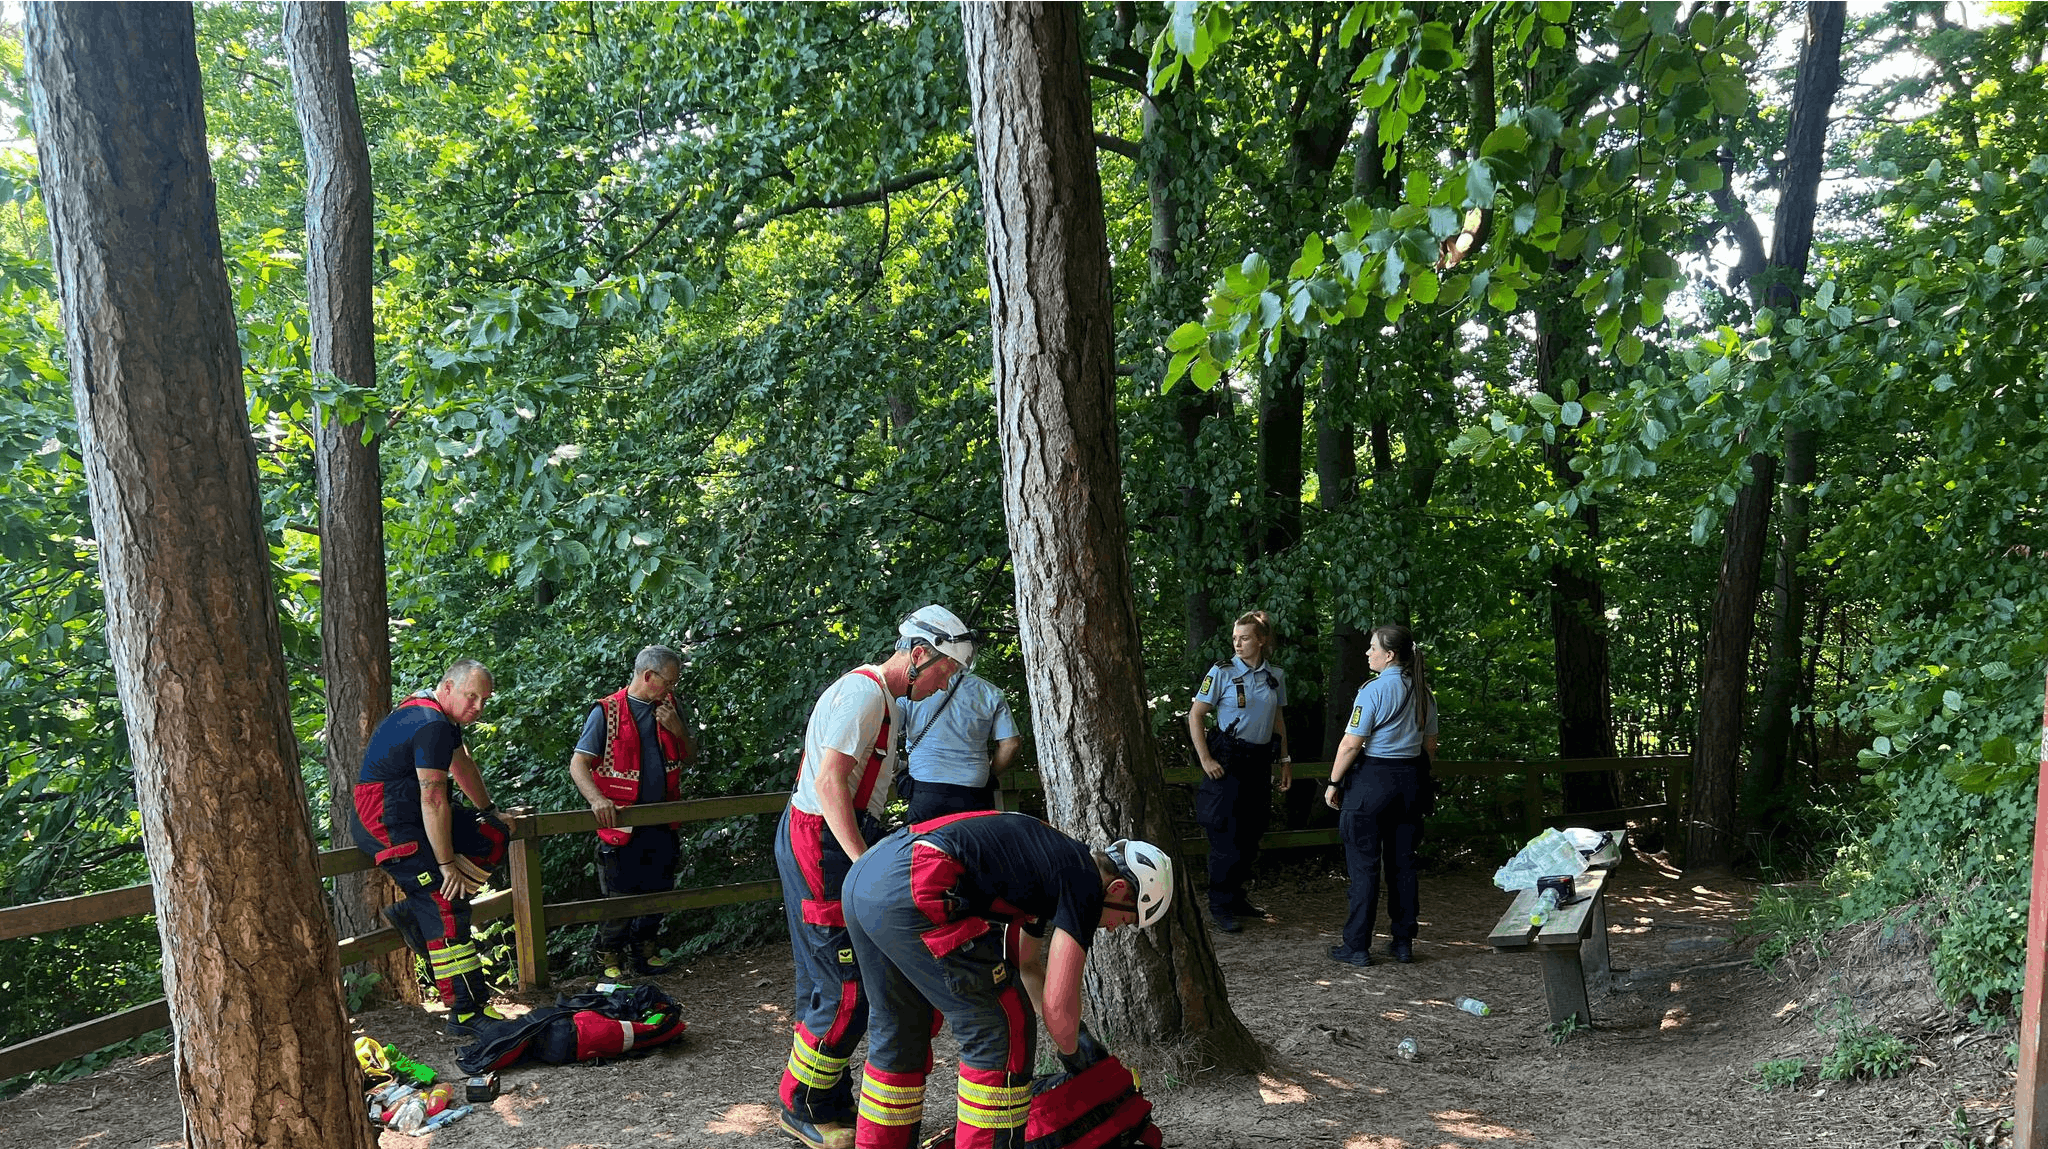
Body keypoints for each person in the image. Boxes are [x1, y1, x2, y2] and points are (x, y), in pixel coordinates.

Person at [843, 811, 1172, 1149]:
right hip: (916, 881)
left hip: (867, 877)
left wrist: (1072, 1039)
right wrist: (1078, 1056)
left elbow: (1025, 963)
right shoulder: (1085, 882)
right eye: (1128, 918)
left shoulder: (1051, 858)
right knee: (1002, 1028)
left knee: (903, 1027)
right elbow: (1058, 1008)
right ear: (1117, 888)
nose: (1118, 927)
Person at [774, 605, 975, 1149]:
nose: (943, 686)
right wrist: (864, 866)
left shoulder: (883, 699)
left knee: (829, 981)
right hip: (822, 843)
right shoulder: (864, 694)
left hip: (825, 837)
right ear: (917, 656)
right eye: (943, 672)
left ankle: (826, 1095)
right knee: (847, 986)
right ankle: (804, 1103)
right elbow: (831, 781)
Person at [351, 659, 510, 1034]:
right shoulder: (431, 723)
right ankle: (467, 1012)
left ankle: (414, 912)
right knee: (444, 902)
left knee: (492, 834)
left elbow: (463, 766)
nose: (478, 707)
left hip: (413, 814)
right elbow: (434, 797)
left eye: (484, 700)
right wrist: (445, 865)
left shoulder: (440, 718)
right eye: (472, 697)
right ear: (448, 687)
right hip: (387, 822)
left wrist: (489, 811)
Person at [567, 644, 698, 980]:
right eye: (668, 682)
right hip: (621, 823)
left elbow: (690, 757)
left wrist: (678, 731)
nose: (672, 689)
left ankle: (646, 953)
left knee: (659, 888)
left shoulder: (669, 707)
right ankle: (608, 956)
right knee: (620, 893)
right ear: (647, 676)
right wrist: (597, 799)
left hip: (662, 819)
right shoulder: (607, 711)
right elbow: (578, 764)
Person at [1323, 623, 1438, 967]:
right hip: (1410, 786)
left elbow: (1350, 743)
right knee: (1403, 866)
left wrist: (1333, 782)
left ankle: (1357, 946)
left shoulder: (1373, 691)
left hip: (1371, 783)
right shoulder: (1424, 693)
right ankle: (1403, 943)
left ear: (1389, 655)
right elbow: (1430, 747)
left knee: (1364, 869)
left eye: (1372, 647)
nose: (1367, 652)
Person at [1186, 609, 1292, 933]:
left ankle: (1237, 897)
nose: (1237, 643)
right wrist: (1205, 759)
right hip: (1228, 761)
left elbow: (1278, 721)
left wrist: (1285, 761)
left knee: (1251, 833)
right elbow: (1196, 715)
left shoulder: (1275, 676)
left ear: (1261, 640)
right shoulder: (1221, 673)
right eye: (1235, 638)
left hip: (1259, 762)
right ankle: (1220, 905)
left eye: (1244, 638)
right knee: (1224, 834)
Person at [896, 670, 1021, 824]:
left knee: (926, 845)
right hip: (975, 791)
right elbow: (1011, 744)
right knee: (974, 846)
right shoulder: (989, 691)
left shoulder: (913, 690)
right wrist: (989, 774)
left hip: (926, 790)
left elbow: (885, 732)